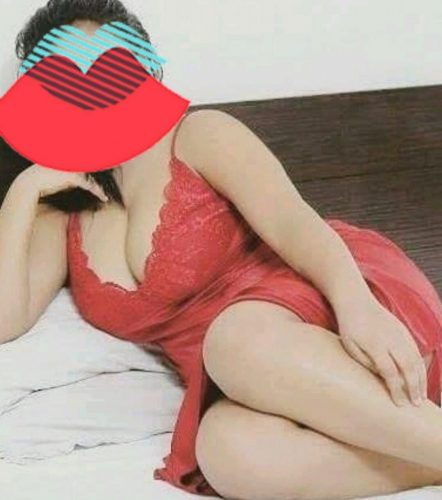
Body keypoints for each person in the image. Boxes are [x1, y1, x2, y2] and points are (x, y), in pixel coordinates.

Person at [1, 1, 441, 498]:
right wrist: (23, 191)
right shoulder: (59, 214)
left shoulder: (199, 135)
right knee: (226, 454)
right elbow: (5, 319)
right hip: (247, 384)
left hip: (328, 313)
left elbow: (294, 223)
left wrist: (357, 306)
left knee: (235, 341)